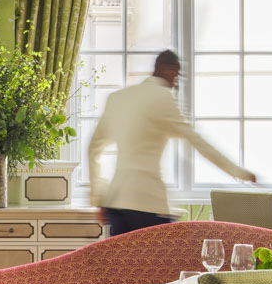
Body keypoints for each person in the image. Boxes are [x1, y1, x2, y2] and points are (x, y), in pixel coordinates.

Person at [87, 50, 257, 236]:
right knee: (162, 263)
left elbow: (93, 149)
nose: (176, 82)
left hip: (115, 203)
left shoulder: (117, 98)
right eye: (176, 76)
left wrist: (98, 197)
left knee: (122, 265)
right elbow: (198, 142)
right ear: (166, 70)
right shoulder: (162, 97)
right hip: (146, 203)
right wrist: (240, 173)